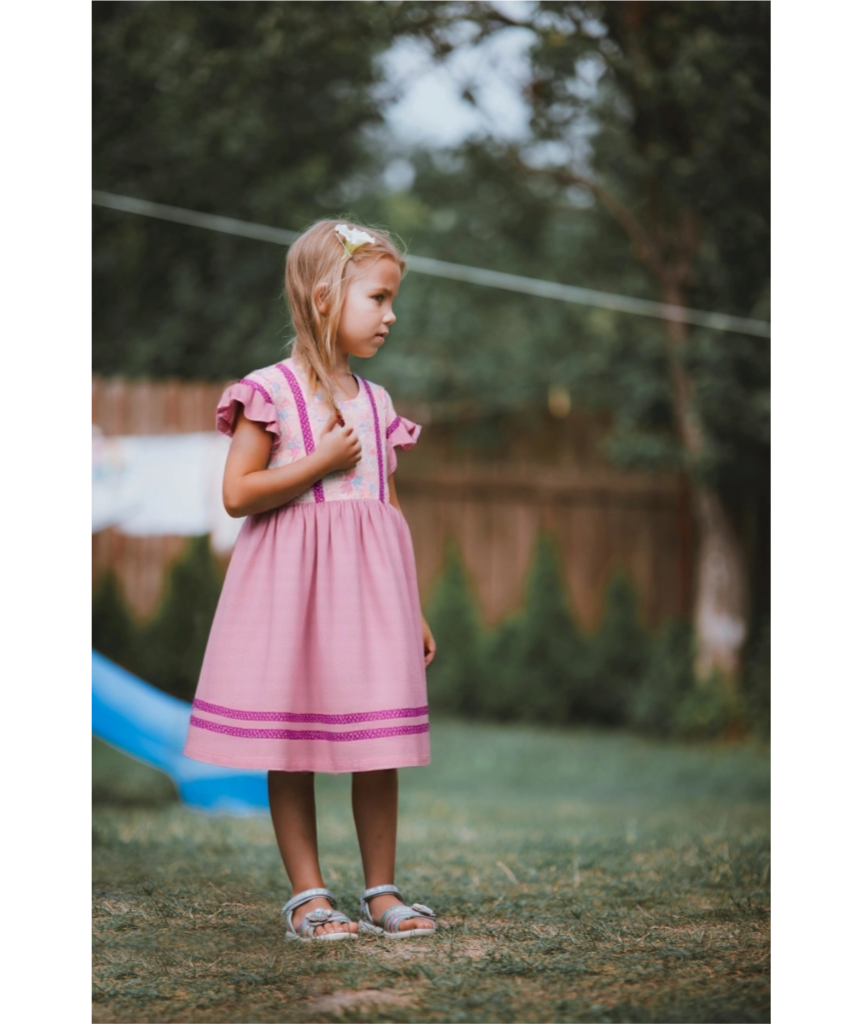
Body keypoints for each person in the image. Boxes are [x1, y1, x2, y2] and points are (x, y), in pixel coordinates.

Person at [184, 221, 438, 941]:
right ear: (325, 298)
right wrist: (318, 462)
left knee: (378, 741)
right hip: (290, 598)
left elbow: (388, 504)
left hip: (371, 599)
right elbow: (238, 494)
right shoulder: (269, 392)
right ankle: (308, 895)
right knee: (289, 743)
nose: (391, 315)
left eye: (392, 300)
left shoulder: (378, 403)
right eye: (378, 298)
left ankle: (382, 893)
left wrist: (413, 605)